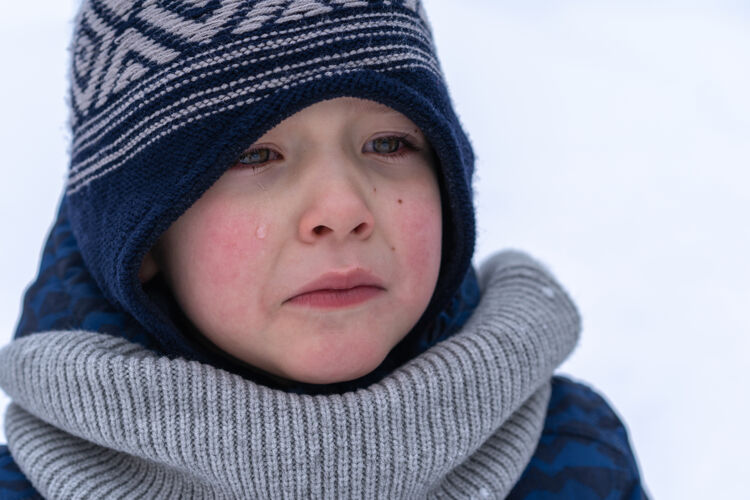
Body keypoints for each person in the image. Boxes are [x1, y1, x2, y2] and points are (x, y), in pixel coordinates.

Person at [0, 1, 647, 498]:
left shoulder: (575, 454)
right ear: (141, 238)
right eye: (255, 154)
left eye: (388, 144)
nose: (342, 210)